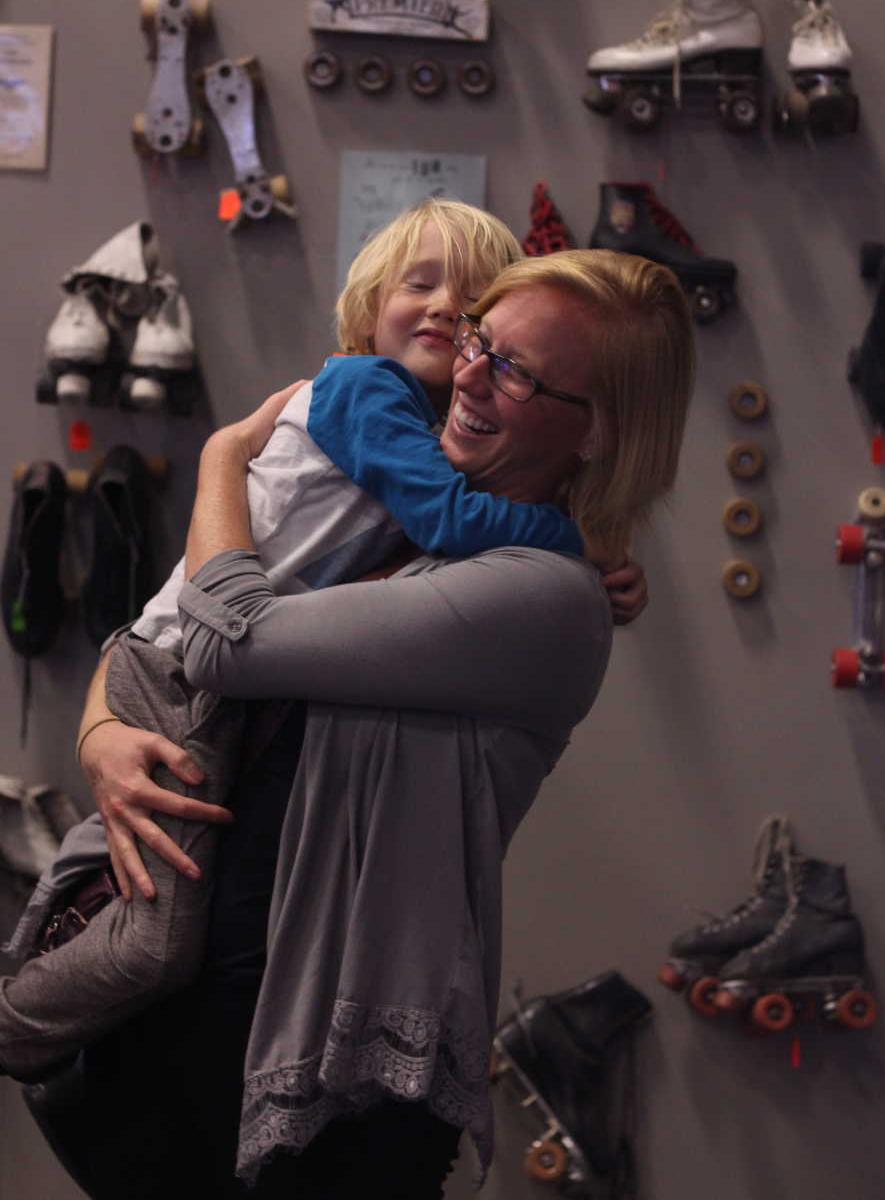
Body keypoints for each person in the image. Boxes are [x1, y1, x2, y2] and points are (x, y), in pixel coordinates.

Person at [52, 246, 694, 1199]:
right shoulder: (406, 521)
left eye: (517, 371)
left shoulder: (545, 594)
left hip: (331, 1083)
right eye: (482, 338)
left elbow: (230, 642)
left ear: (599, 432)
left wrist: (223, 458)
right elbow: (161, 638)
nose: (467, 370)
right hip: (195, 1021)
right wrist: (100, 732)